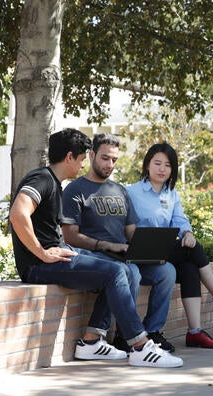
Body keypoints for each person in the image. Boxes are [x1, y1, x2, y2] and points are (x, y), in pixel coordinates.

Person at [8, 128, 183, 368]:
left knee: (116, 268)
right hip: (39, 266)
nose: (81, 165)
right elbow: (18, 214)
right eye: (81, 159)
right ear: (70, 157)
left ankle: (91, 342)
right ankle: (140, 346)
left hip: (59, 255)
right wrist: (42, 252)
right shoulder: (42, 179)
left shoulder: (54, 183)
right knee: (115, 271)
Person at [61, 133, 177, 353]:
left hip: (124, 252)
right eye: (105, 158)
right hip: (97, 256)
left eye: (114, 160)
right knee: (129, 271)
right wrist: (108, 246)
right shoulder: (75, 190)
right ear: (92, 155)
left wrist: (151, 245)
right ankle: (126, 337)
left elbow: (131, 232)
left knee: (167, 271)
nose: (110, 164)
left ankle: (152, 331)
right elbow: (70, 236)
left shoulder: (120, 191)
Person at [126, 142, 213, 349]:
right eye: (157, 163)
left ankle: (194, 332)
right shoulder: (131, 193)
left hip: (161, 255)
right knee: (194, 250)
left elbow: (180, 220)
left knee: (191, 267)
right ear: (147, 164)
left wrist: (189, 233)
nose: (162, 169)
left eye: (167, 165)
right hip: (139, 253)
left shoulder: (171, 194)